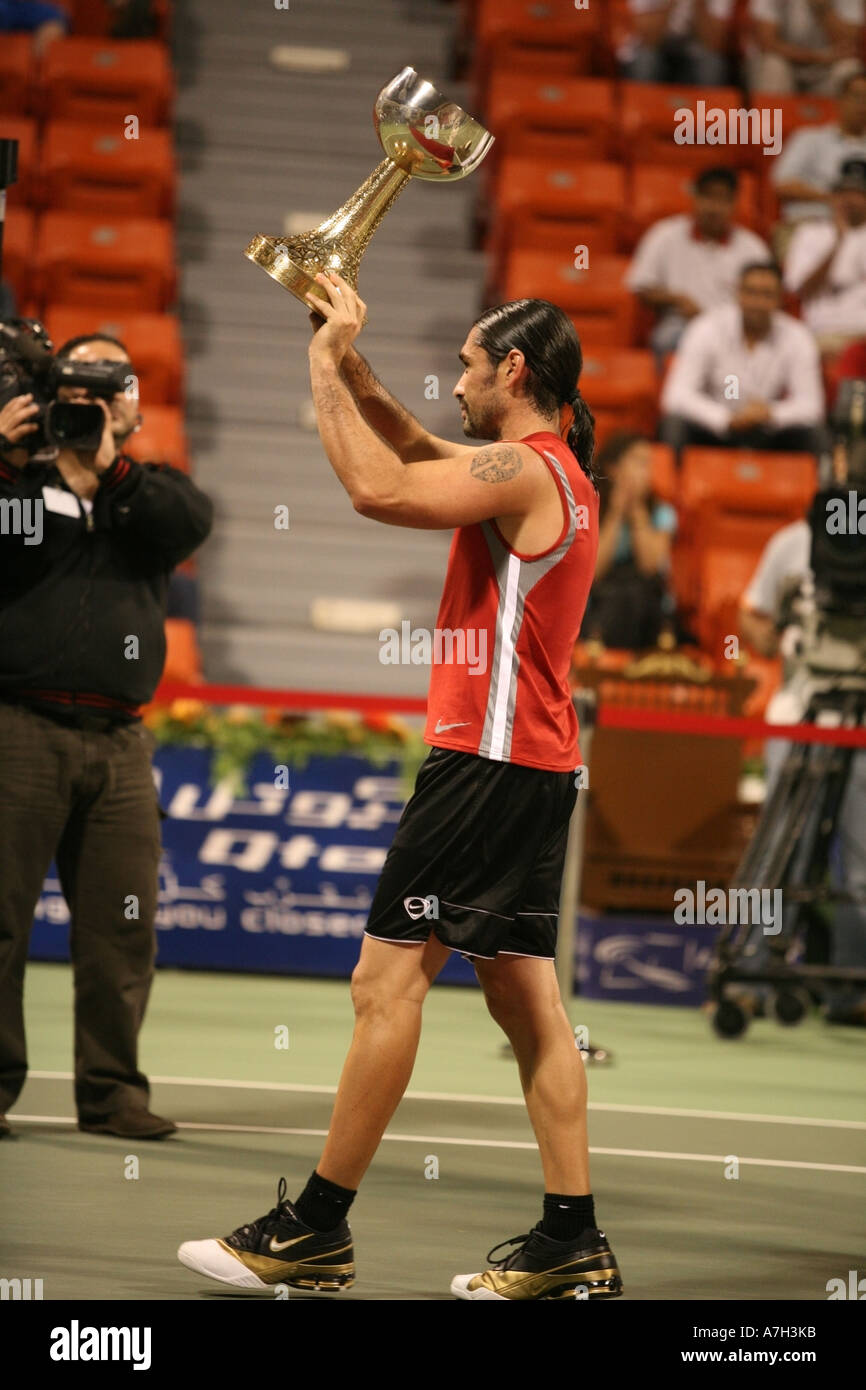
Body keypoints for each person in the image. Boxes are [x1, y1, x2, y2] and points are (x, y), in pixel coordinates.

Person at [178, 278, 624, 1302]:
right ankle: (571, 1240)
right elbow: (420, 444)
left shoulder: (520, 467)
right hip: (536, 769)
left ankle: (313, 1229)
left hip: (485, 766)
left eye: (470, 365)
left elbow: (377, 489)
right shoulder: (551, 467)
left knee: (385, 985)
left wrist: (321, 368)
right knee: (525, 1000)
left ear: (513, 371)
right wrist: (349, 356)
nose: (457, 383)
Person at [0, 327, 213, 1140]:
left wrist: (109, 469)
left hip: (120, 744)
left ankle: (113, 1092)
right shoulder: (19, 485)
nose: (89, 402)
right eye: (76, 387)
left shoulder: (147, 491)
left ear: (131, 401)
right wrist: (9, 462)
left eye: (106, 385)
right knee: (0, 920)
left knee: (122, 927)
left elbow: (186, 526)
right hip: (18, 727)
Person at [737, 441, 866, 1026]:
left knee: (860, 861)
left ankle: (849, 990)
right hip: (802, 708)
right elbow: (752, 615)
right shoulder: (792, 540)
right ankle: (752, 974)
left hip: (860, 722)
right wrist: (776, 633)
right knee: (784, 846)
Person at [660, 261, 825, 456]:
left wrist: (771, 413)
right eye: (751, 292)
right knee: (674, 425)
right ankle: (673, 486)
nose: (757, 302)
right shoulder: (707, 328)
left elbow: (812, 405)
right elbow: (676, 396)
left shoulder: (797, 337)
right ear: (738, 294)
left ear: (781, 299)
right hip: (715, 429)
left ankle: (830, 488)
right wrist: (725, 418)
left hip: (768, 430)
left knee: (817, 435)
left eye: (767, 295)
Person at [626, 166, 770, 362]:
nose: (714, 207)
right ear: (694, 197)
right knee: (666, 339)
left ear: (734, 203)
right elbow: (640, 286)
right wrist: (677, 299)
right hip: (681, 323)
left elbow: (767, 296)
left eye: (723, 199)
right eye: (708, 197)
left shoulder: (753, 247)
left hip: (737, 327)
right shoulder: (664, 235)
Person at [581, 432, 678, 650]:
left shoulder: (662, 513)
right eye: (639, 462)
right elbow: (593, 572)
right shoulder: (592, 510)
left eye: (648, 464)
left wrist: (636, 511)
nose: (646, 472)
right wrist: (616, 512)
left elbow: (650, 566)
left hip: (649, 609)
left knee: (635, 596)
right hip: (602, 605)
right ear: (613, 469)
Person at [784, 157, 866, 352]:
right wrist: (838, 243)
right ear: (832, 197)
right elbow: (803, 289)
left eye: (857, 193)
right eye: (842, 193)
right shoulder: (809, 233)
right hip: (825, 334)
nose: (849, 200)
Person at [772, 70, 866, 224]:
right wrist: (832, 198)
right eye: (857, 97)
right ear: (840, 100)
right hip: (811, 221)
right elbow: (782, 184)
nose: (863, 106)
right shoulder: (809, 138)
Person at [747, 0, 864, 96]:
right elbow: (767, 43)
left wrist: (823, 10)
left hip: (827, 68)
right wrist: (818, 58)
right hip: (790, 63)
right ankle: (773, 123)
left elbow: (852, 42)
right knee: (774, 65)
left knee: (849, 67)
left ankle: (836, 124)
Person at [619, 0, 734, 85]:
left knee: (712, 65)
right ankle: (640, 115)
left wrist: (699, 5)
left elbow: (714, 42)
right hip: (655, 47)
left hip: (695, 49)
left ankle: (709, 116)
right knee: (644, 61)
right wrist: (671, 4)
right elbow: (647, 39)